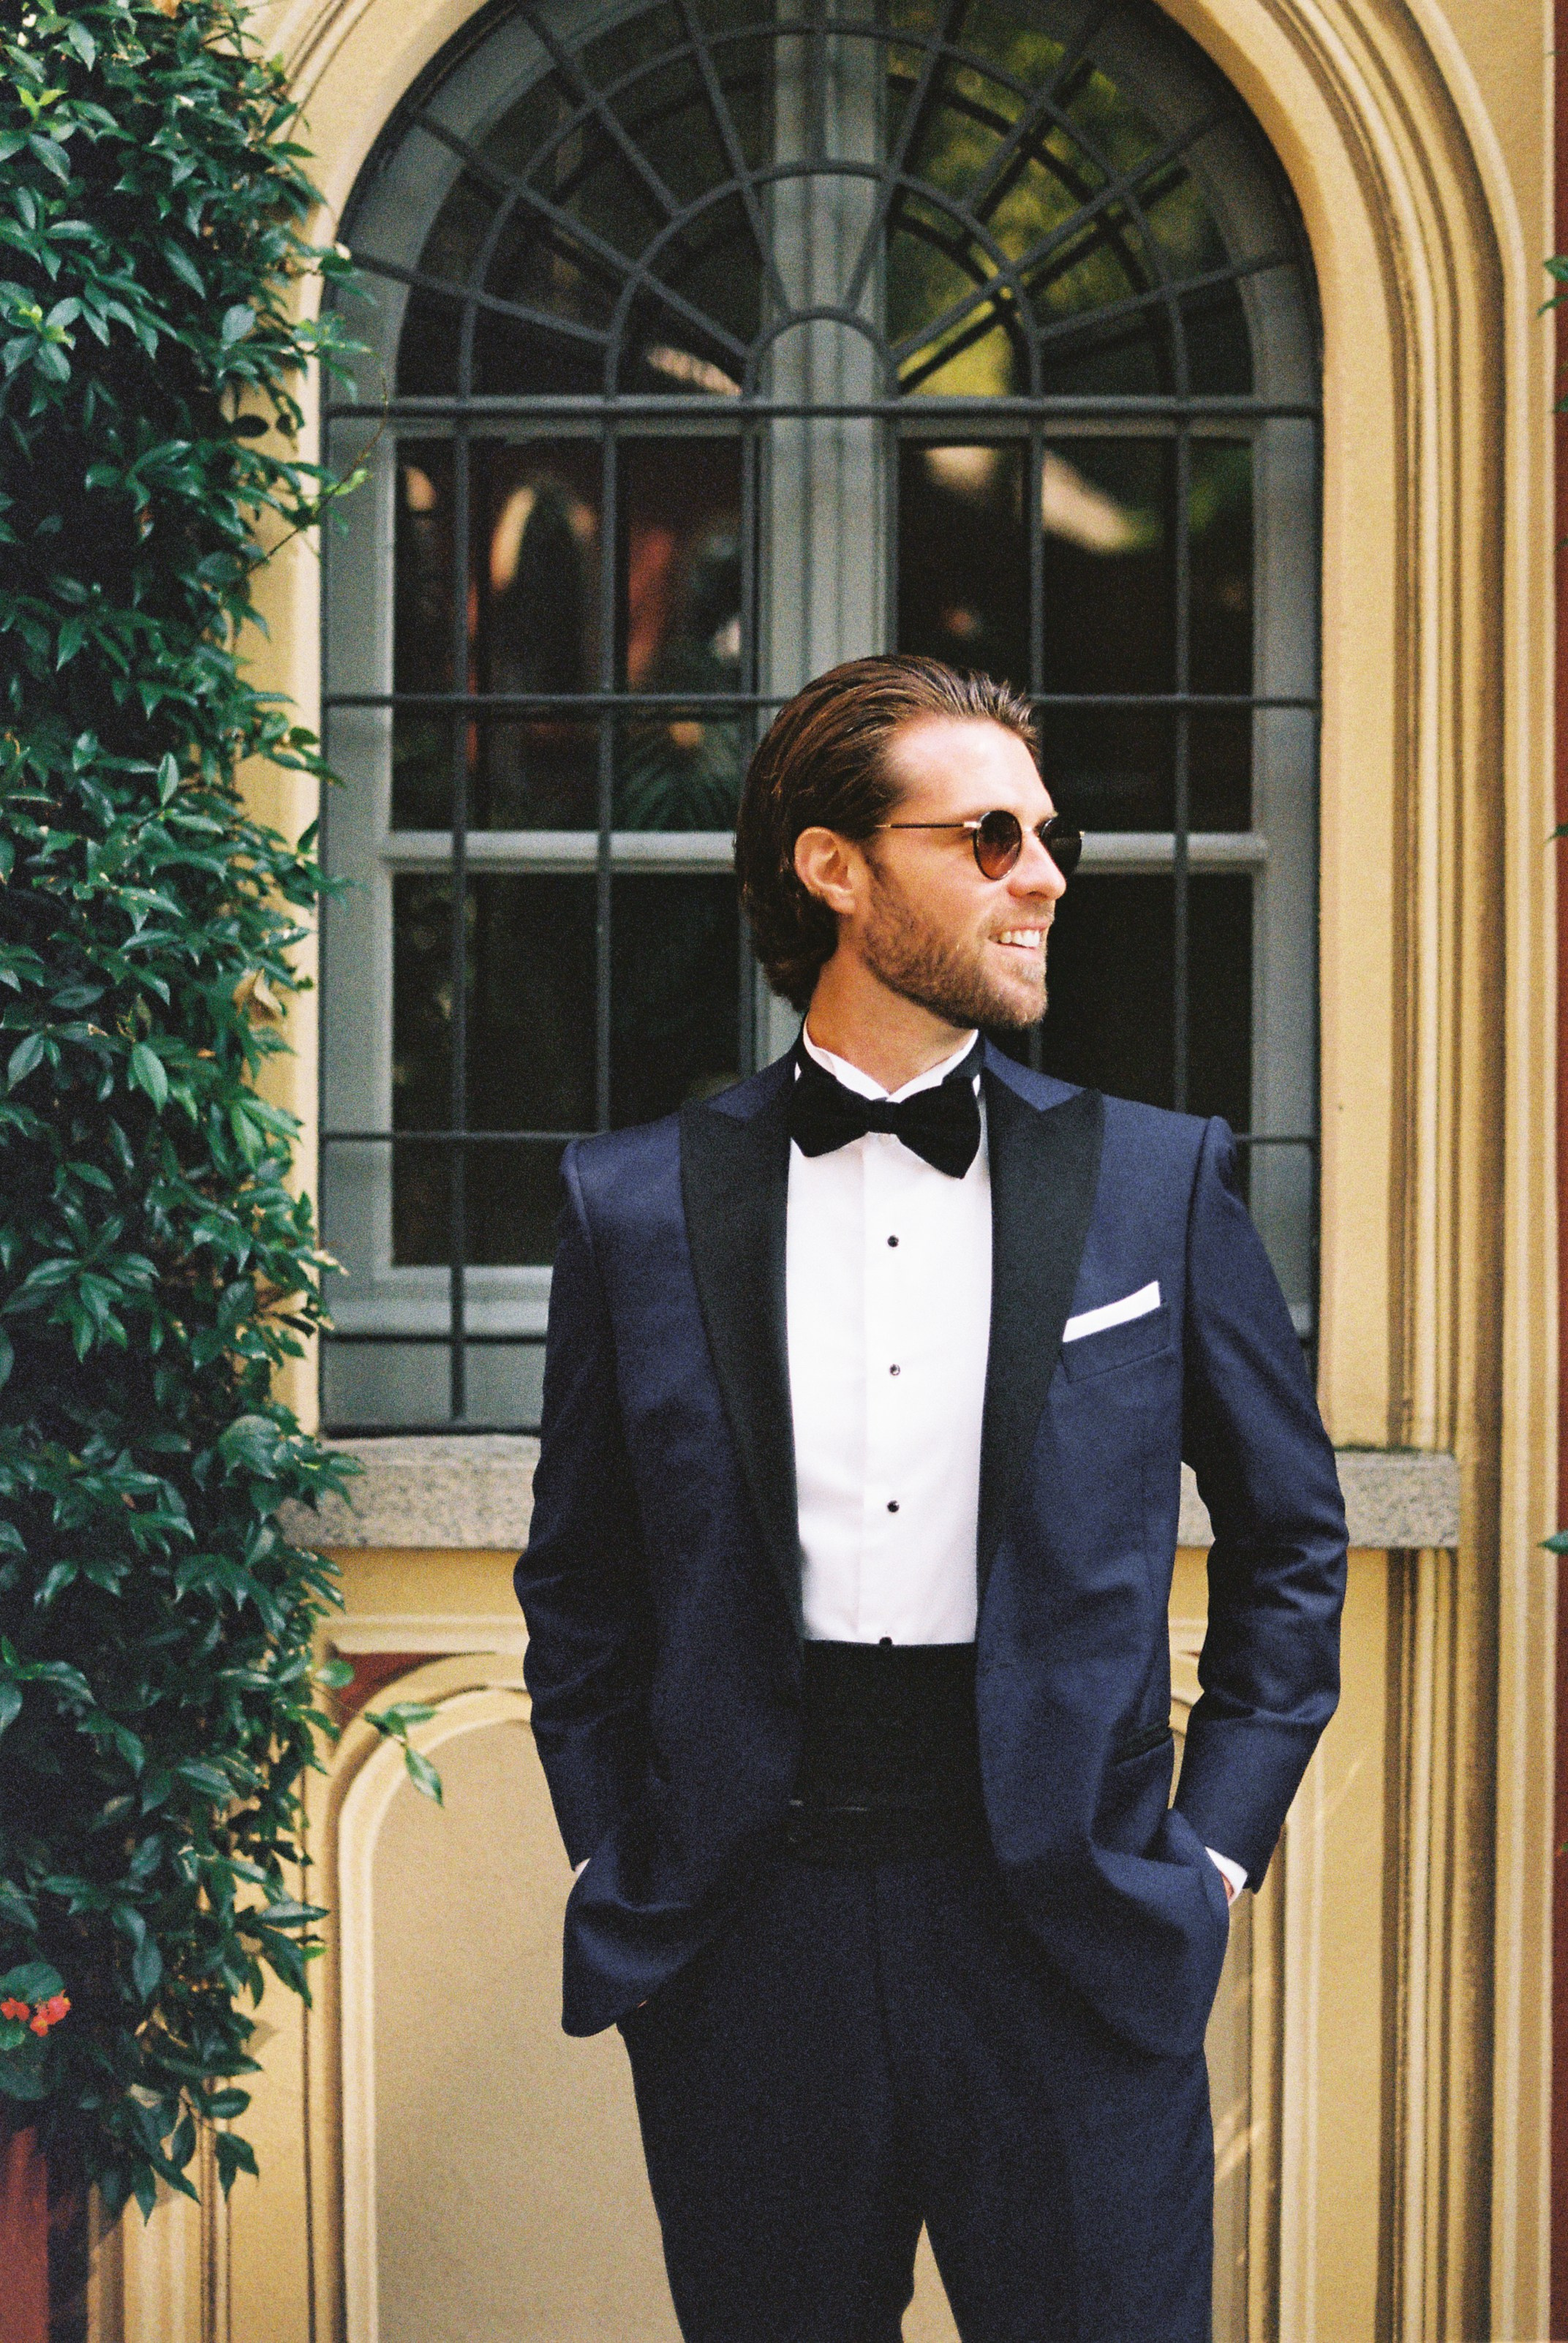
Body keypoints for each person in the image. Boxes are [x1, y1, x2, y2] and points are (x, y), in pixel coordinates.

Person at [514, 654, 1347, 2343]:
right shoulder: (634, 1207)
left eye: (1045, 836)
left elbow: (1290, 1540)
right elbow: (580, 1592)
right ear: (834, 867)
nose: (1043, 874)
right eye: (986, 836)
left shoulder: (1154, 1181)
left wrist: (1212, 1864)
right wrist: (624, 1849)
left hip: (1072, 1940)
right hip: (750, 1948)